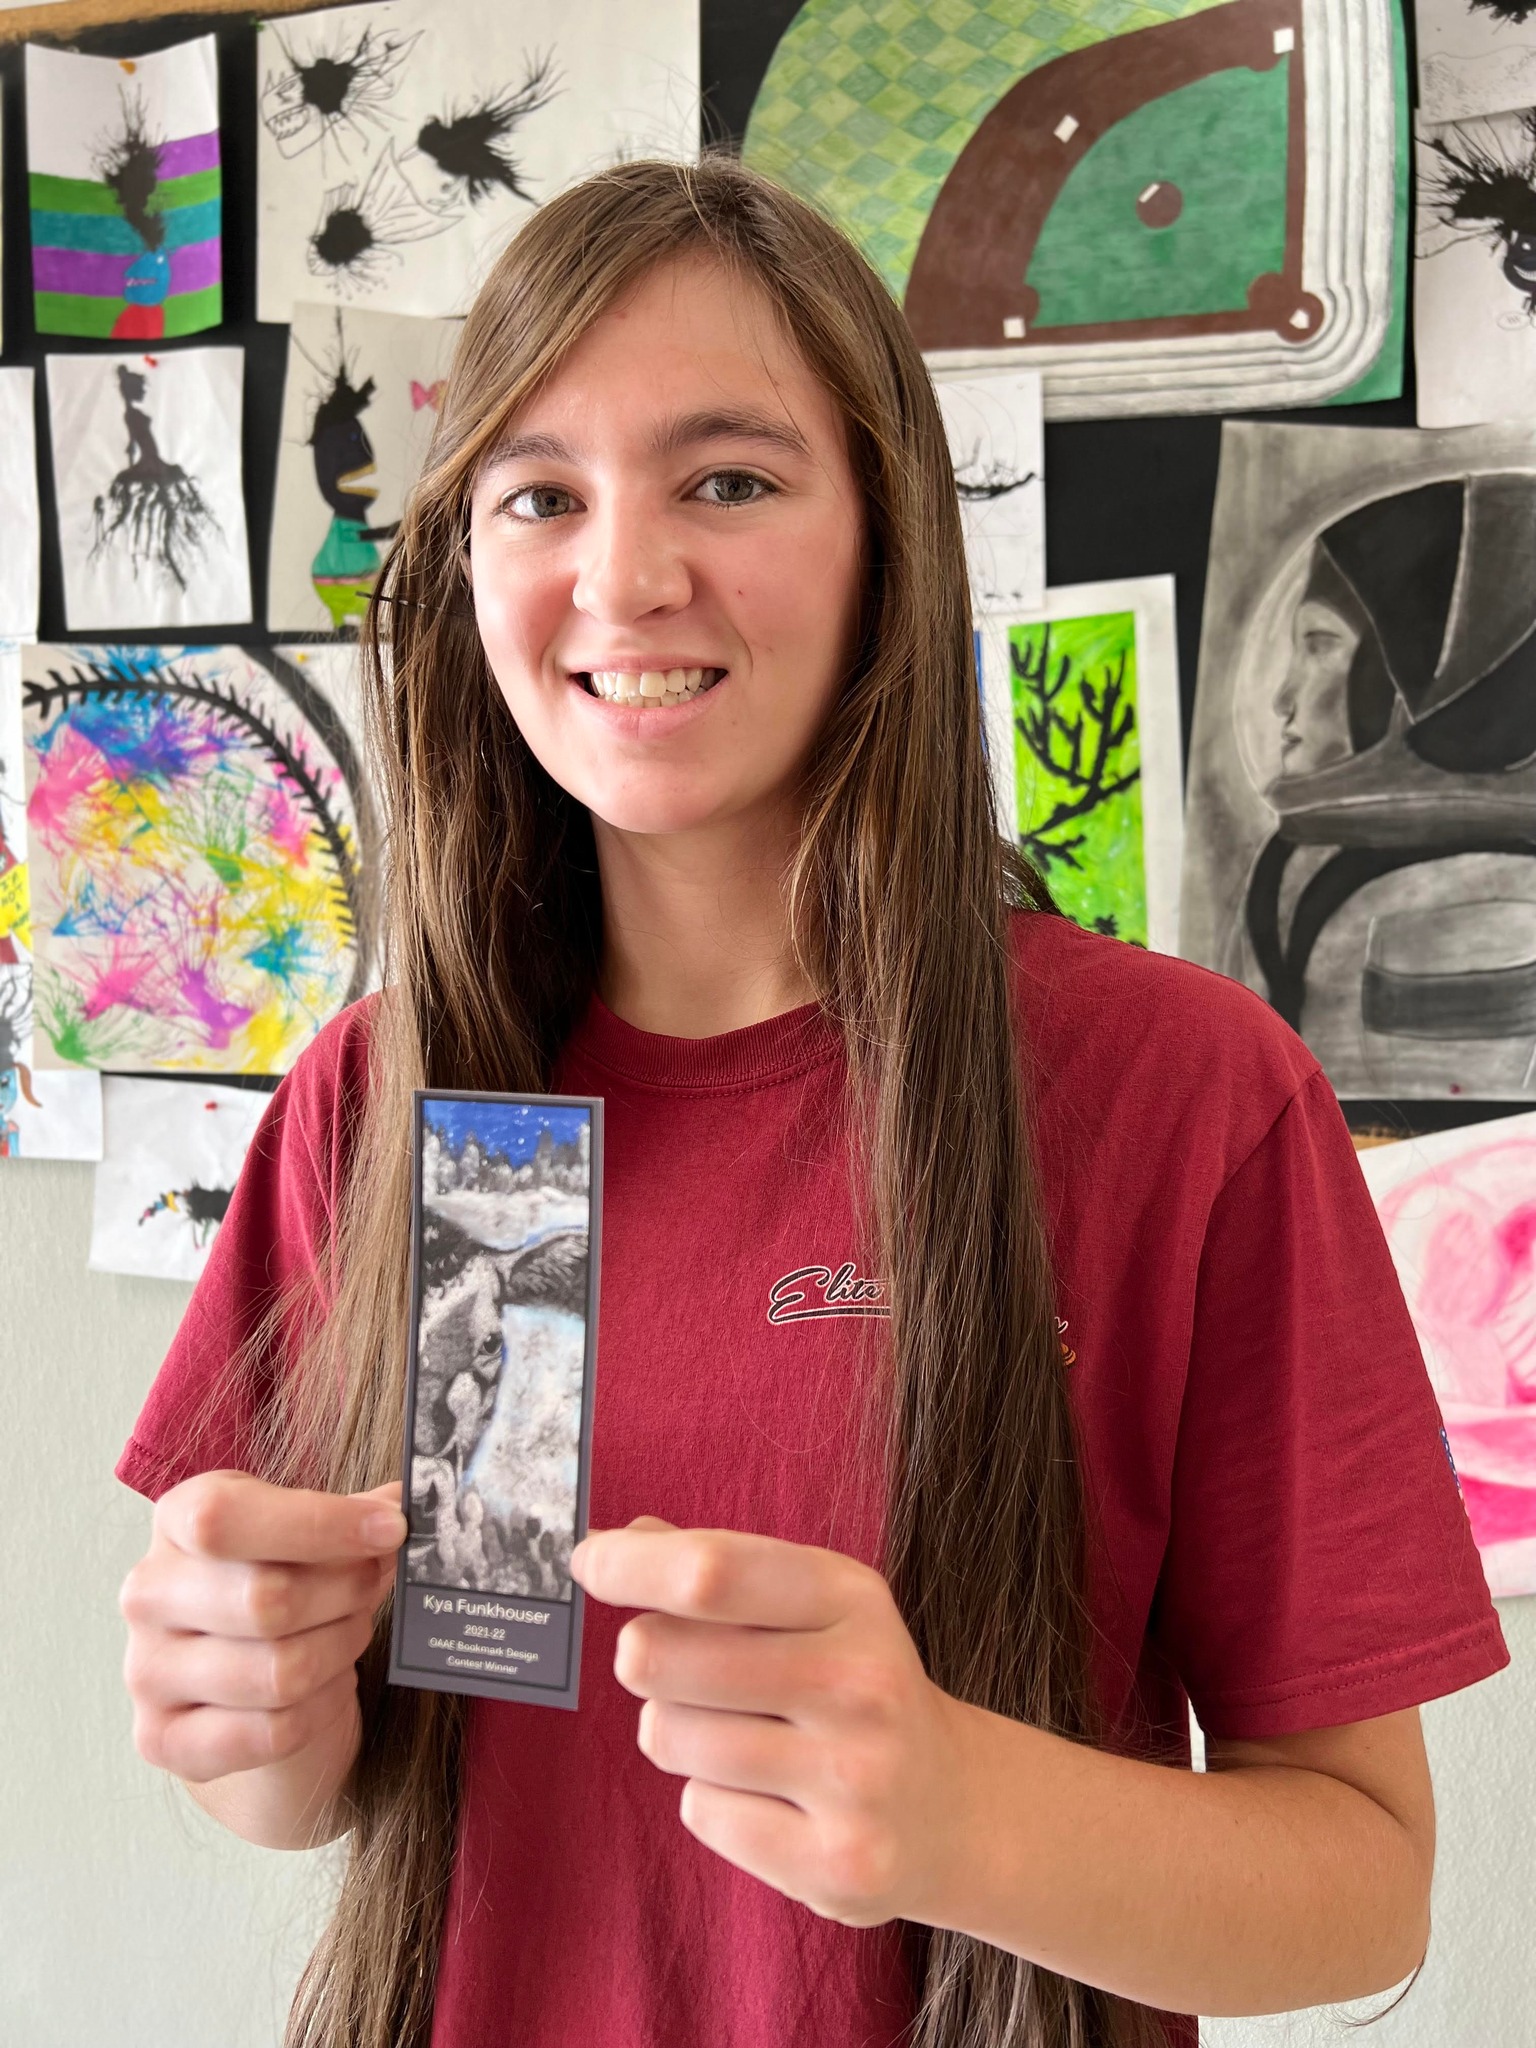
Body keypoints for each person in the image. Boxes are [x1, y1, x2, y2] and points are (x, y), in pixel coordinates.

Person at [116, 157, 1505, 2048]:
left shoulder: (1180, 1098)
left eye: (730, 480)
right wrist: (248, 1729)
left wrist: (962, 1814)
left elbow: (1361, 1893)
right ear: (463, 564)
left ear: (887, 544)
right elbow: (336, 1786)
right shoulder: (387, 1106)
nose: (624, 577)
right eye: (539, 495)